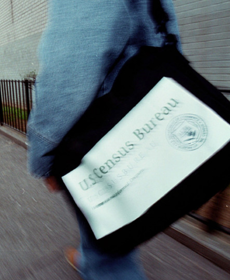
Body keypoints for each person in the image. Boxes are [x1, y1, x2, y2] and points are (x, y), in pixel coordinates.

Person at [27, 1, 181, 279]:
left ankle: (101, 263)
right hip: (147, 120)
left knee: (110, 240)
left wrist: (43, 153)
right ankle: (92, 258)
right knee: (119, 220)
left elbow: (69, 71)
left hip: (104, 135)